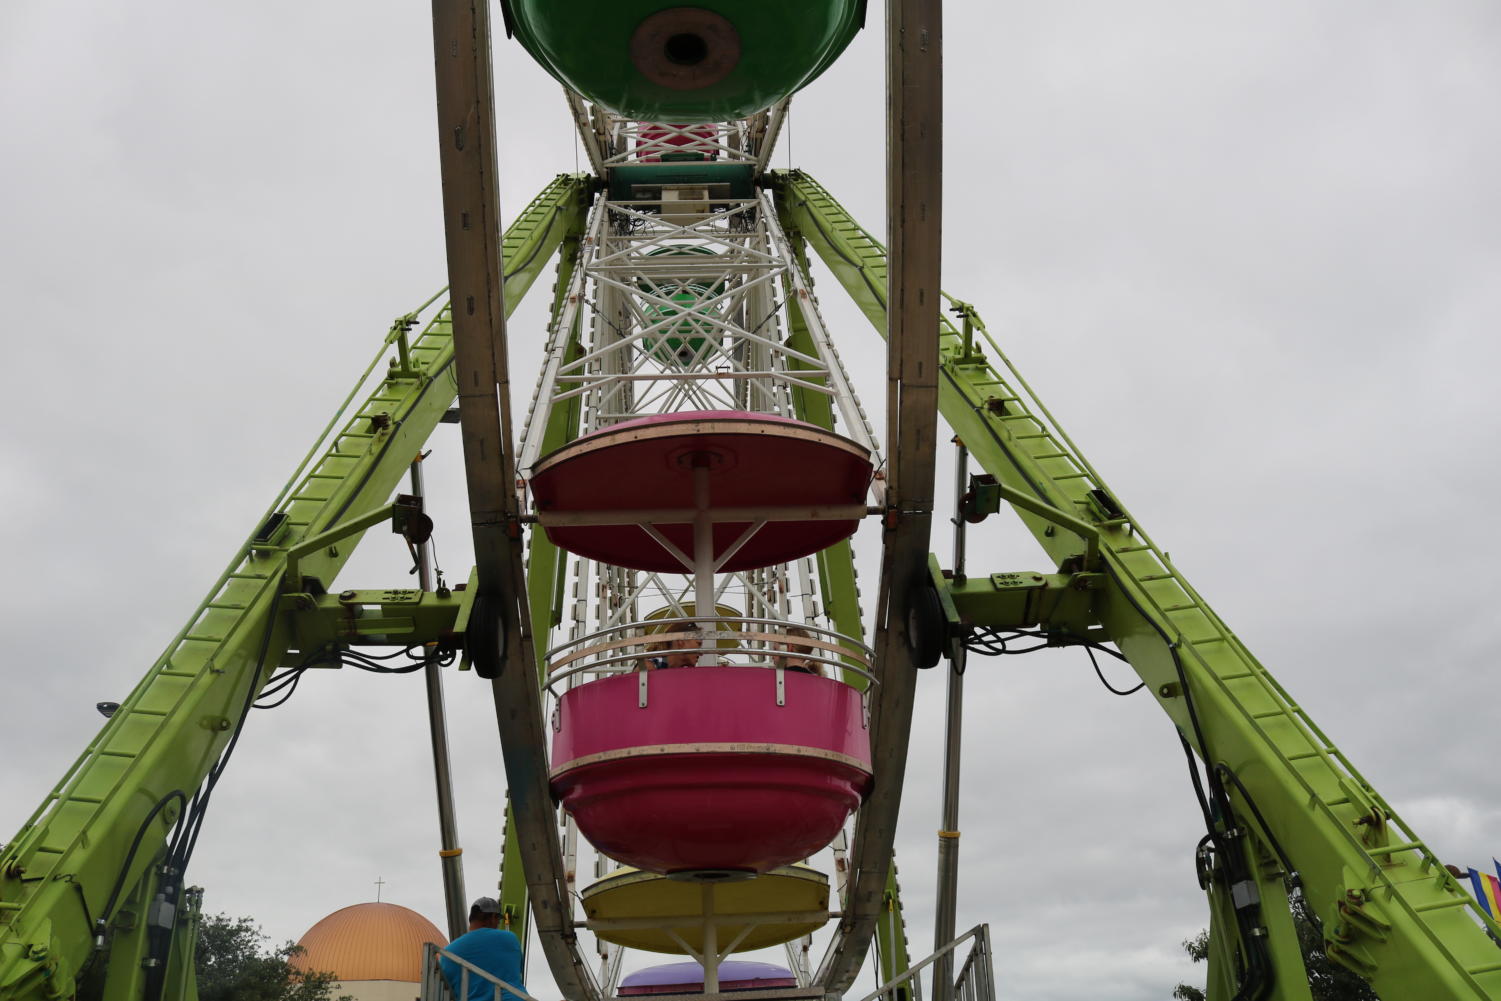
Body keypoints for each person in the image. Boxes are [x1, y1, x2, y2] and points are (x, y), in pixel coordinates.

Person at [440, 897, 525, 1001]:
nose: (498, 924)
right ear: (493, 917)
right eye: (498, 919)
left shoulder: (448, 953)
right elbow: (518, 969)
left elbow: (445, 987)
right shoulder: (510, 939)